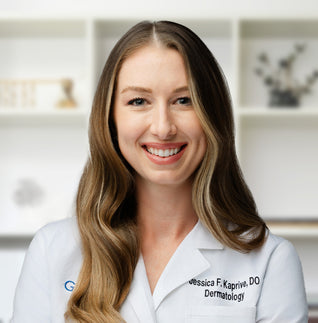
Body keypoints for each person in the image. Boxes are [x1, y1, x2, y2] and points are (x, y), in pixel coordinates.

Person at [11, 20, 308, 323]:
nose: (163, 127)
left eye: (184, 100)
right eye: (138, 101)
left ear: (212, 114)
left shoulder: (270, 261)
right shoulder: (53, 251)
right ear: (110, 118)